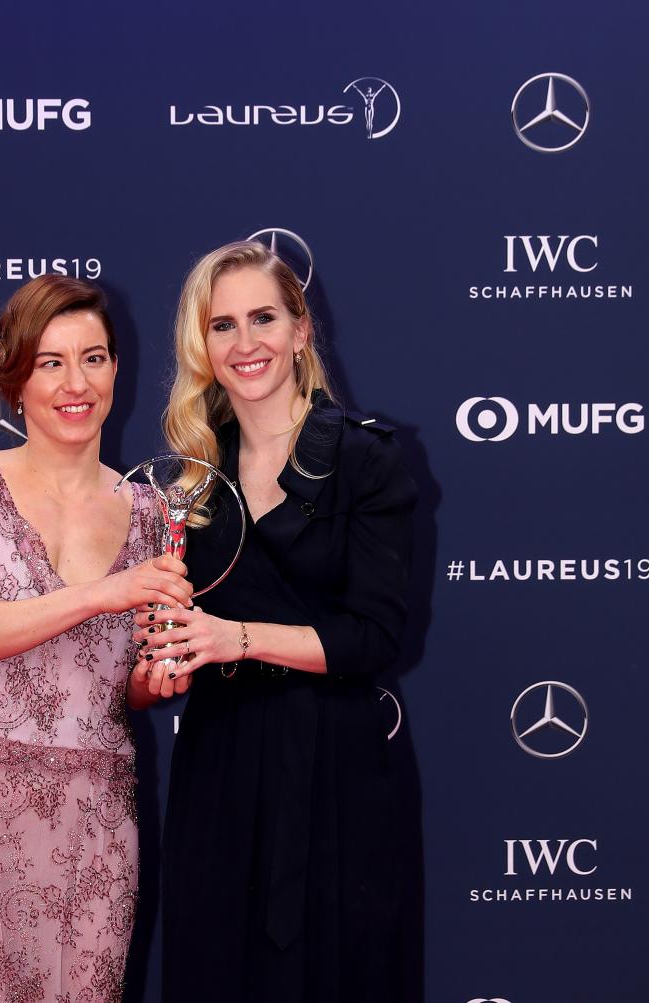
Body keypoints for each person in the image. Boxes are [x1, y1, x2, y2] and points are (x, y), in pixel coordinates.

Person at [130, 241, 417, 1001]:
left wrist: (236, 637)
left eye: (263, 317)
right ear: (203, 346)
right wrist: (167, 662)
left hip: (334, 766)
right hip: (218, 762)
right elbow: (171, 630)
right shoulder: (191, 473)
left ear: (300, 331)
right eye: (222, 325)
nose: (245, 341)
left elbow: (379, 638)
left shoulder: (368, 458)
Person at [0, 275, 192, 1003]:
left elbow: (120, 680)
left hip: (93, 822)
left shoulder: (151, 509)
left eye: (93, 358)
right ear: (16, 375)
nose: (76, 383)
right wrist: (102, 592)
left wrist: (156, 677)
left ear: (116, 369)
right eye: (51, 361)